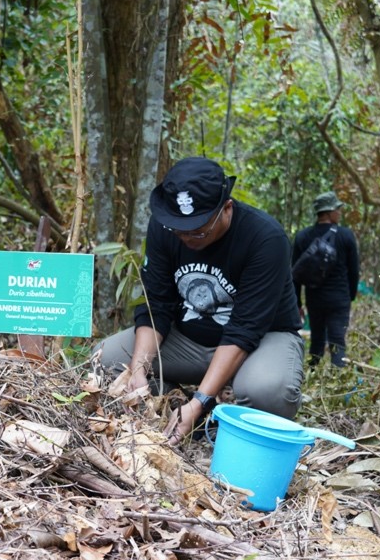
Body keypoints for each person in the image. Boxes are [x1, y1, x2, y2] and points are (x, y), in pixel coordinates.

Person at [96, 156, 305, 445]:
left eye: (199, 230)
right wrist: (138, 369)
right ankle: (171, 405)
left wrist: (200, 401)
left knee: (269, 389)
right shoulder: (164, 228)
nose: (187, 238)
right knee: (106, 358)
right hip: (189, 341)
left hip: (260, 341)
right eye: (179, 230)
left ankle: (219, 419)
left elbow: (245, 328)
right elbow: (156, 304)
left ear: (227, 209)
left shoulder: (265, 238)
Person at [292, 191, 360, 367]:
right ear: (329, 212)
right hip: (339, 299)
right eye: (338, 209)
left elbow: (295, 275)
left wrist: (298, 303)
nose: (340, 212)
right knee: (337, 342)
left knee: (317, 339)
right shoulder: (346, 235)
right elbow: (354, 271)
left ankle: (314, 372)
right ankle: (338, 381)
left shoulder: (302, 237)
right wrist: (350, 296)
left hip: (315, 299)